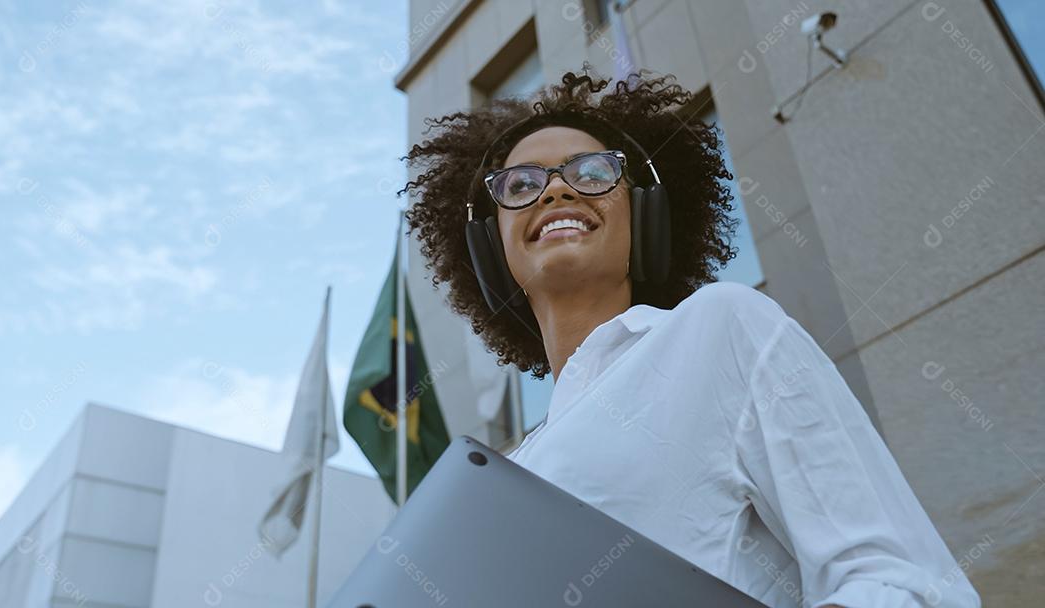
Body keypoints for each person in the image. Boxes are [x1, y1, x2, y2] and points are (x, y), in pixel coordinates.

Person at [400, 69, 980, 607]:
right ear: (490, 246)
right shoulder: (506, 475)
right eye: (521, 184)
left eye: (593, 172)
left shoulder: (721, 327)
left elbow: (903, 584)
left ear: (645, 213)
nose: (555, 192)